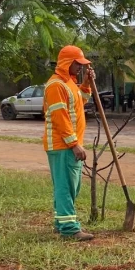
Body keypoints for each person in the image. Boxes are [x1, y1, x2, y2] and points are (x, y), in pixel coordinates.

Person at [43, 45, 95, 241]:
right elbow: (60, 117)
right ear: (67, 63)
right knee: (66, 187)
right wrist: (74, 144)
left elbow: (80, 101)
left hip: (67, 144)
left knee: (69, 185)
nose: (81, 67)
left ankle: (61, 223)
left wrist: (86, 82)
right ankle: (70, 229)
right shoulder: (56, 85)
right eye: (78, 64)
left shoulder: (69, 83)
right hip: (62, 145)